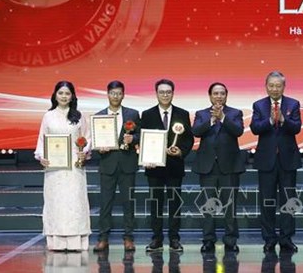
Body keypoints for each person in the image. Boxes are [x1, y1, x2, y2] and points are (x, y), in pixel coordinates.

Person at [34, 81, 91, 252]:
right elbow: (42, 140)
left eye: (67, 93)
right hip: (54, 167)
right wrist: (42, 157)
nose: (64, 96)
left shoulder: (79, 116)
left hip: (74, 166)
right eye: (61, 93)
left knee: (75, 201)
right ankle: (56, 242)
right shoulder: (48, 116)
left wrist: (84, 152)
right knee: (56, 202)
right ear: (55, 95)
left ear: (72, 96)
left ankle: (76, 242)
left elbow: (87, 138)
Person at [250, 71, 302, 253]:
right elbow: (255, 128)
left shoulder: (293, 104)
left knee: (288, 201)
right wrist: (271, 120)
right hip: (267, 161)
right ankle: (269, 238)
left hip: (288, 160)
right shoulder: (259, 105)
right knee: (267, 201)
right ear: (266, 86)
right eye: (271, 85)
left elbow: (296, 127)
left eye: (278, 85)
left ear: (283, 87)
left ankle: (286, 238)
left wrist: (284, 120)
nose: (274, 89)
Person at [140, 79, 194, 252]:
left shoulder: (182, 114)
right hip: (154, 167)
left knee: (174, 204)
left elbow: (189, 139)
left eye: (168, 92)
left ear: (173, 93)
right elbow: (143, 138)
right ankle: (156, 238)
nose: (165, 95)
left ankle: (174, 239)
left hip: (174, 166)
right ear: (156, 93)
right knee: (155, 204)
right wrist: (145, 157)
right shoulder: (147, 114)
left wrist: (180, 151)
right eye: (161, 92)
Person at [192, 82, 246, 253]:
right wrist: (211, 120)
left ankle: (230, 240)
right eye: (215, 93)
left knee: (230, 206)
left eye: (222, 93)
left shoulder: (235, 113)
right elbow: (196, 131)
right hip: (208, 167)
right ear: (210, 96)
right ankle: (208, 240)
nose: (219, 96)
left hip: (229, 167)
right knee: (208, 206)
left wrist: (223, 118)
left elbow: (238, 131)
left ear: (226, 95)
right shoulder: (201, 114)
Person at [93, 81, 141, 253]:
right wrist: (99, 148)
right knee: (105, 203)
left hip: (128, 164)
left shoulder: (132, 114)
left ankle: (128, 237)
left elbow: (140, 135)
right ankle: (103, 238)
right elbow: (95, 142)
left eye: (119, 93)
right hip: (108, 164)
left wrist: (133, 139)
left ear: (123, 95)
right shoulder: (99, 116)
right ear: (107, 94)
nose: (116, 96)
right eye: (113, 93)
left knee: (129, 203)